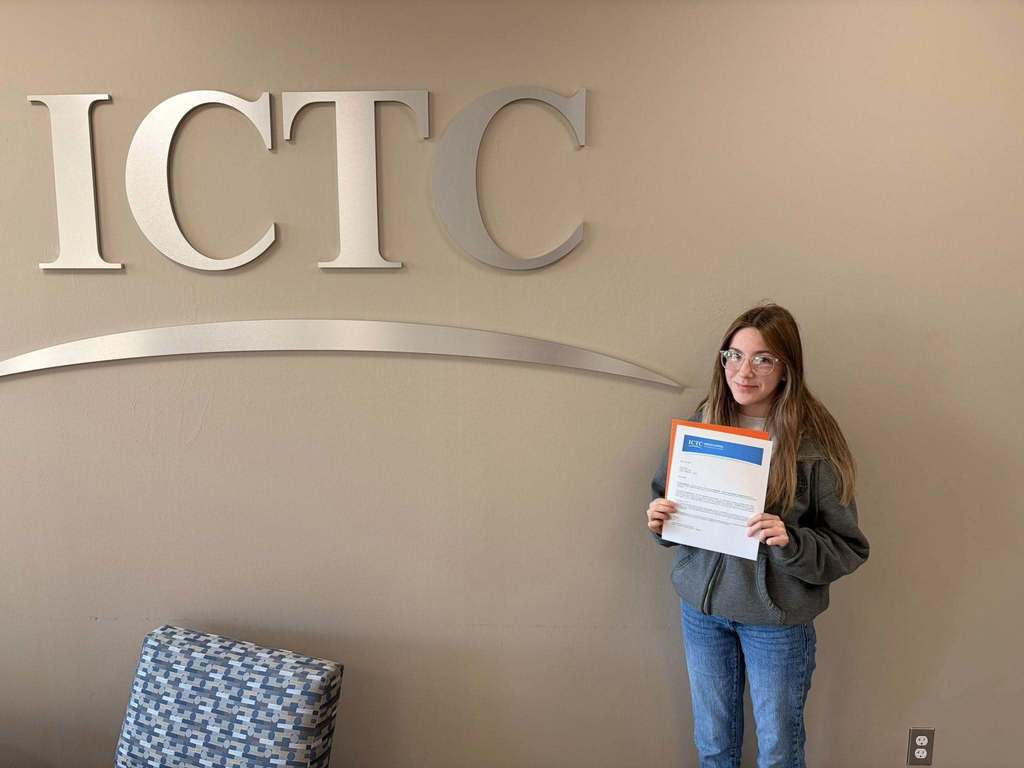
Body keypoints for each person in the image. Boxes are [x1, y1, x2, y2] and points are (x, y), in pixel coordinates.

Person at [646, 303, 869, 768]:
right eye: (734, 356)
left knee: (779, 754)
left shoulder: (815, 444)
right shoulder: (706, 419)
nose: (744, 371)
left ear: (787, 368)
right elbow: (671, 496)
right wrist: (662, 518)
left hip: (776, 624)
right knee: (713, 747)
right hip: (702, 614)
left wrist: (791, 541)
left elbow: (849, 547)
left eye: (763, 358)